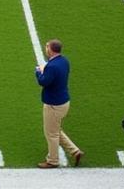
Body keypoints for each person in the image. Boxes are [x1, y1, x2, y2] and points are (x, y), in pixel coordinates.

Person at [36, 39, 83, 168]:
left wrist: (39, 72)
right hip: (63, 102)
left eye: (47, 47)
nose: (46, 49)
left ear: (50, 50)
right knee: (55, 130)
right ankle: (75, 151)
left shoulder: (52, 66)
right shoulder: (64, 61)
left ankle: (52, 160)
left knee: (51, 133)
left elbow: (43, 82)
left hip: (53, 105)